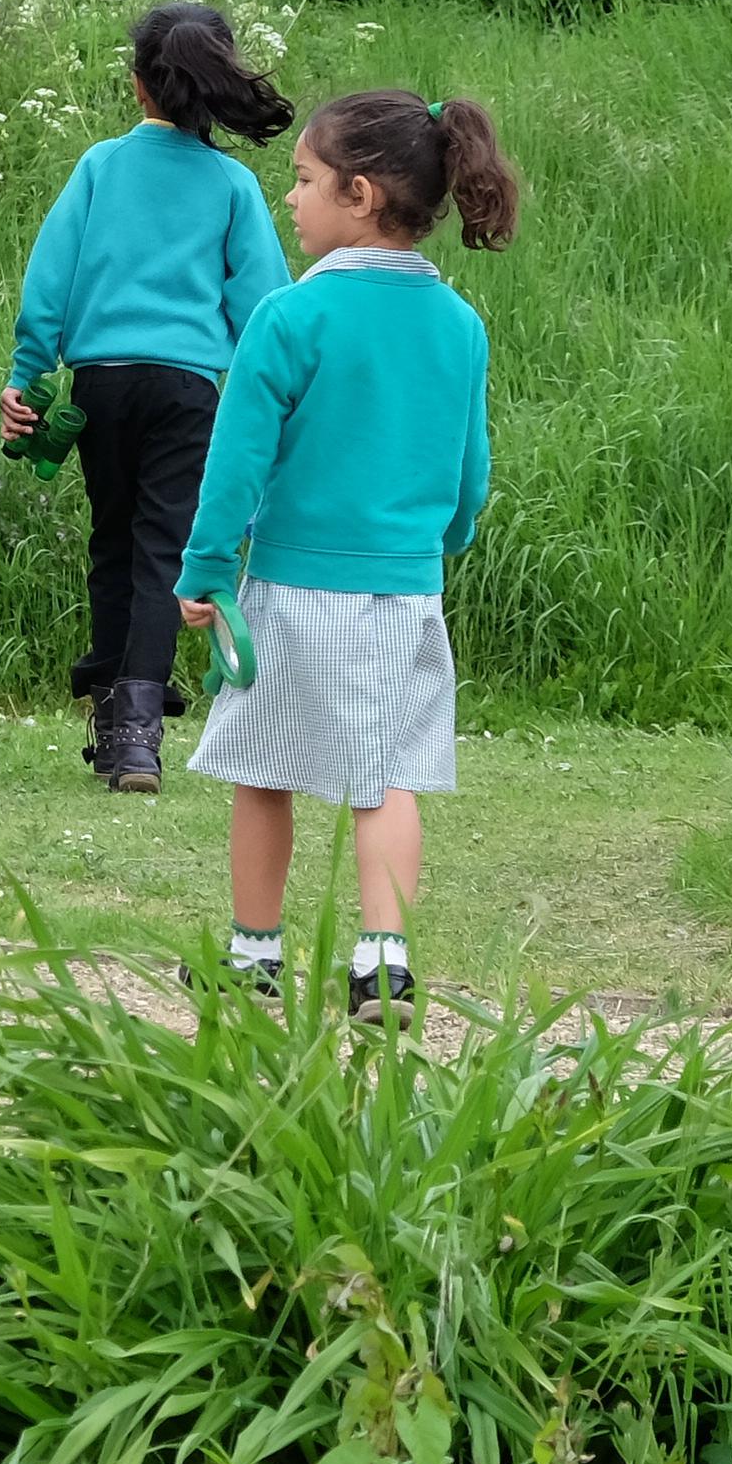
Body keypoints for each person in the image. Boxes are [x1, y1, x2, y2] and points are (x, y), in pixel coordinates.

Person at [173, 85, 522, 1018]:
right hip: (406, 596)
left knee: (263, 771)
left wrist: (206, 570)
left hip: (295, 589)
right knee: (389, 778)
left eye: (303, 179)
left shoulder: (290, 317)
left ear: (359, 195)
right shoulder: (459, 325)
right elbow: (469, 472)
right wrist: (443, 542)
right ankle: (384, 963)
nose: (289, 198)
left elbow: (235, 466)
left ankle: (255, 956)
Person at [0, 0, 297, 790]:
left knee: (113, 542)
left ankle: (110, 711)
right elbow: (266, 310)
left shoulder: (100, 167)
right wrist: (263, 394)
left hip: (100, 386)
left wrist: (27, 374)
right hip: (187, 391)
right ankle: (137, 735)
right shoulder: (232, 185)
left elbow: (49, 282)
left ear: (138, 85)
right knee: (165, 550)